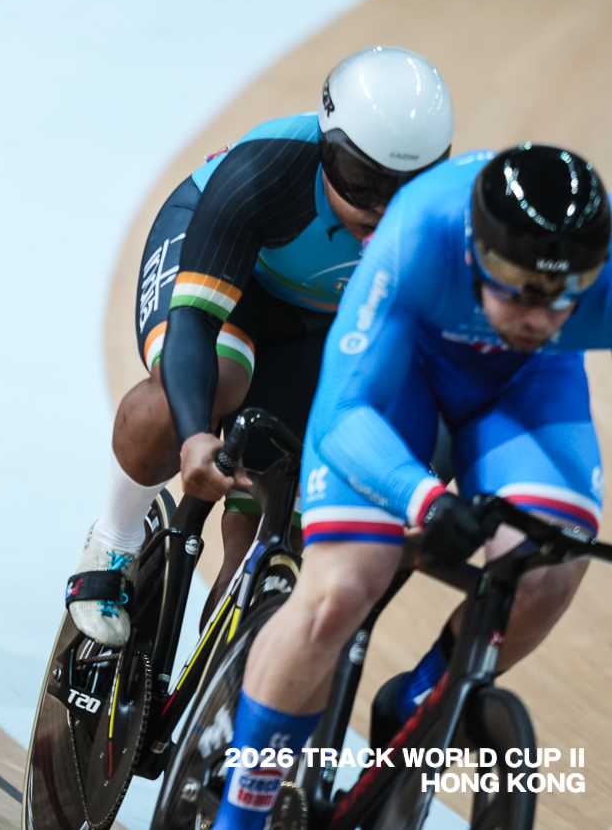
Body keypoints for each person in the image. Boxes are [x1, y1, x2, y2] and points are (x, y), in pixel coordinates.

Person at [210, 143, 608, 830]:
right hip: (404, 370)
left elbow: (542, 320)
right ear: (478, 250)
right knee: (341, 590)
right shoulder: (417, 236)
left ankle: (418, 702)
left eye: (562, 293)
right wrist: (423, 498)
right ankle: (239, 816)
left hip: (527, 381)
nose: (540, 314)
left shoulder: (565, 302)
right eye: (516, 284)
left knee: (549, 566)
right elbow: (343, 420)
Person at [67, 48, 454, 646]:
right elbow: (194, 321)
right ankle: (114, 539)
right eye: (364, 182)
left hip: (319, 319)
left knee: (274, 551)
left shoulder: (450, 220)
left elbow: (442, 383)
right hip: (226, 276)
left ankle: (210, 702)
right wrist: (197, 434)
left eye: (405, 190)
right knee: (203, 388)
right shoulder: (267, 169)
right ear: (327, 149)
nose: (381, 208)